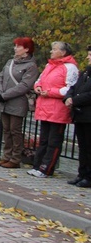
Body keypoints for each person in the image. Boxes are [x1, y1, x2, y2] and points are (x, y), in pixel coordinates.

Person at [28, 41, 78, 178]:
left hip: (58, 110)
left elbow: (70, 88)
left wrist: (50, 91)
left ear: (62, 52)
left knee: (53, 141)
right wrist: (37, 87)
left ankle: (46, 168)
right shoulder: (50, 65)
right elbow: (39, 79)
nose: (51, 52)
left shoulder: (70, 67)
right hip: (44, 108)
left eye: (54, 49)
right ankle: (37, 166)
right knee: (43, 139)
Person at [0, 37, 39, 168]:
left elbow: (24, 86)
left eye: (18, 46)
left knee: (15, 130)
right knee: (6, 129)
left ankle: (15, 158)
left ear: (26, 50)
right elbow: (0, 76)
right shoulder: (10, 62)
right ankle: (6, 155)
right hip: (5, 101)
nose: (15, 48)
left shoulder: (31, 66)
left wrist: (5, 95)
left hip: (18, 102)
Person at [65, 45, 91, 187]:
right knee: (82, 147)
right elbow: (74, 87)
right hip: (80, 115)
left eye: (90, 55)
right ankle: (81, 174)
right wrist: (68, 97)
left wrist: (75, 100)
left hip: (89, 116)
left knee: (89, 147)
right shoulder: (85, 73)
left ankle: (89, 176)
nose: (88, 57)